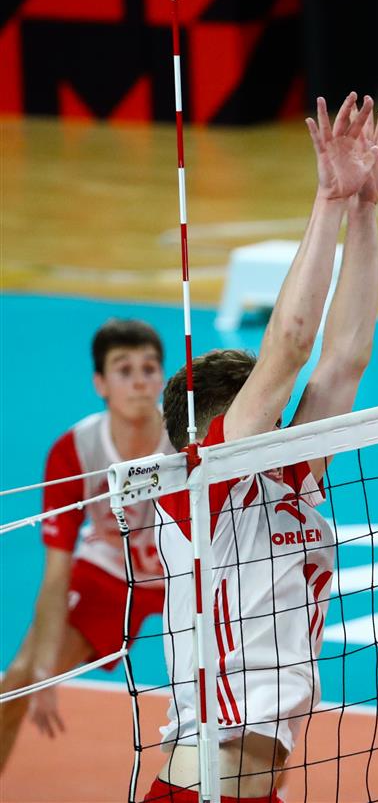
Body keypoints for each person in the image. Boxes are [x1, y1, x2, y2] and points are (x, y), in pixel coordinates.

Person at [142, 92, 378, 801]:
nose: (281, 431)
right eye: (264, 420)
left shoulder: (289, 479)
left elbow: (344, 360)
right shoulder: (201, 490)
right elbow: (291, 346)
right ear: (209, 437)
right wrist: (327, 200)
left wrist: (364, 212)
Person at [0, 320, 172, 774]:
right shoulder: (75, 450)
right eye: (124, 369)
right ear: (100, 384)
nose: (139, 380)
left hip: (185, 576)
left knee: (254, 688)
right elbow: (56, 574)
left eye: (149, 368)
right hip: (110, 571)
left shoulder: (184, 440)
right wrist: (43, 672)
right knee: (15, 684)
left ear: (162, 377)